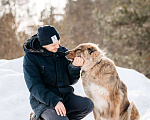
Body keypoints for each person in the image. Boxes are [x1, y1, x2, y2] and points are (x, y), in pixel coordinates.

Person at [23, 25, 94, 120]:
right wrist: (55, 101)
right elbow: (35, 87)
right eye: (53, 45)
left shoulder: (61, 52)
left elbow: (70, 81)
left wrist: (74, 67)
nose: (58, 46)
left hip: (64, 97)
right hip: (44, 102)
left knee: (87, 105)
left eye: (58, 42)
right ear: (43, 44)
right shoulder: (31, 58)